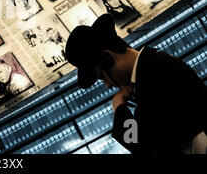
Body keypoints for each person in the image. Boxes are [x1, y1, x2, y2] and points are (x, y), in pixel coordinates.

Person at [65, 13, 207, 154]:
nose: (108, 85)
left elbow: (140, 146)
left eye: (102, 77)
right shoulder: (152, 66)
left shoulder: (151, 79)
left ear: (108, 58)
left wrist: (119, 107)